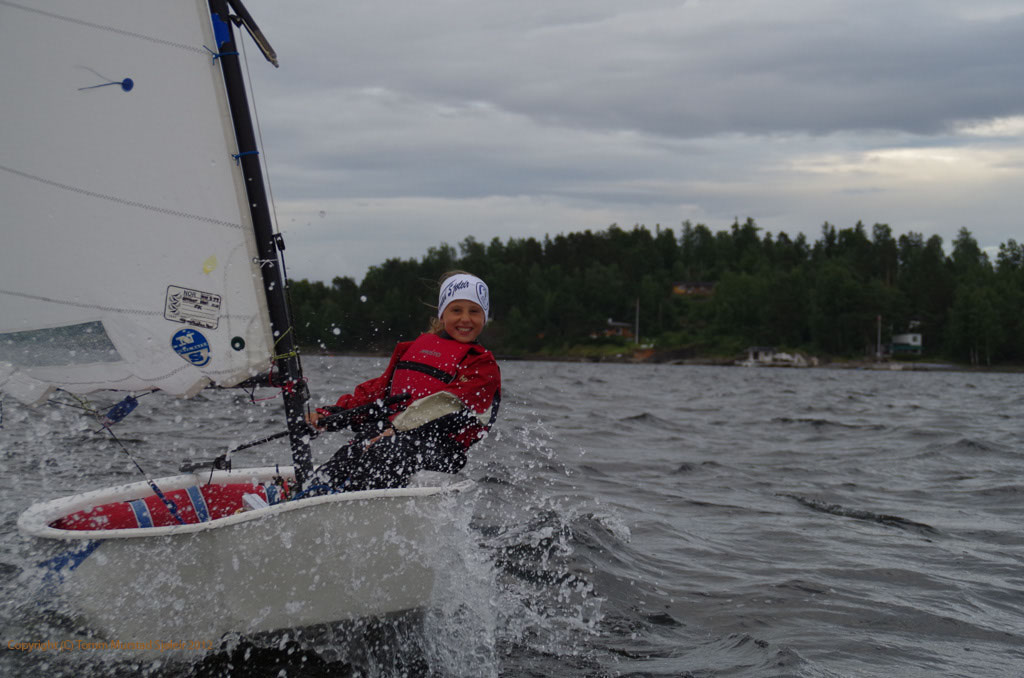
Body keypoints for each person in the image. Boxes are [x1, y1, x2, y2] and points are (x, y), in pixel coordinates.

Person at [307, 271, 501, 492]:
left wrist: (398, 429)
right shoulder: (411, 349)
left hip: (440, 448)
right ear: (442, 314)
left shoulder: (481, 365)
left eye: (474, 311)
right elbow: (376, 394)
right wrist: (329, 415)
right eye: (456, 310)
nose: (465, 319)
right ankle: (310, 495)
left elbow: (449, 407)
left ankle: (352, 500)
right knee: (341, 462)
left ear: (484, 317)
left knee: (386, 451)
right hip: (389, 435)